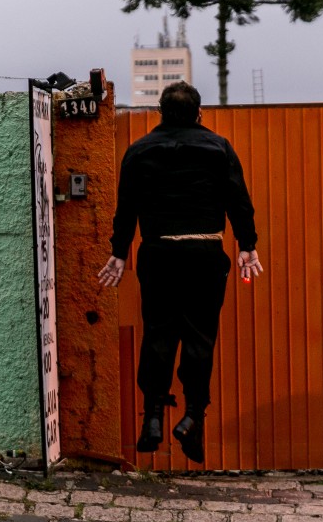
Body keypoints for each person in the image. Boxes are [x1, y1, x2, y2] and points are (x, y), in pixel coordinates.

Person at [97, 82, 263, 463]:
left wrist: (119, 253)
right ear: (198, 112)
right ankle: (191, 416)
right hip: (205, 251)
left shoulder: (139, 151)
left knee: (159, 332)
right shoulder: (219, 148)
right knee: (199, 337)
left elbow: (126, 209)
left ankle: (152, 415)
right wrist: (247, 246)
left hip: (159, 253)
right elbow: (239, 202)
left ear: (160, 112)